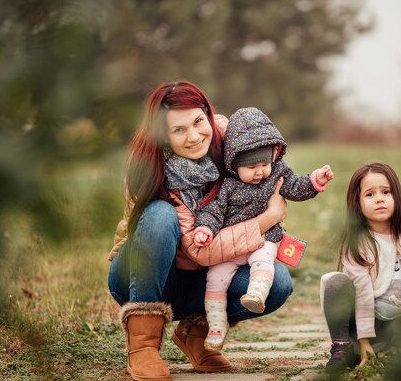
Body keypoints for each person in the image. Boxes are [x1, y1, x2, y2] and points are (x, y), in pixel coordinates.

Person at [107, 81, 293, 381]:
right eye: (178, 130)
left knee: (278, 282)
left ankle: (196, 332)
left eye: (197, 121)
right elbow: (199, 249)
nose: (194, 137)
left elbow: (266, 182)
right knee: (159, 215)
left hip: (201, 277)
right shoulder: (149, 164)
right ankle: (142, 346)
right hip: (144, 276)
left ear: (207, 113)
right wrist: (267, 219)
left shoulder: (233, 143)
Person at [192, 107, 334, 351]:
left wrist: (314, 181)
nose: (259, 172)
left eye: (264, 164)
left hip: (262, 239)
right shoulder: (226, 185)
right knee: (215, 279)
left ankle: (257, 293)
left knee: (263, 261)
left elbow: (295, 186)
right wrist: (204, 228)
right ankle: (216, 325)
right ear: (234, 164)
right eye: (251, 167)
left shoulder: (277, 173)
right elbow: (212, 210)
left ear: (273, 156)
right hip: (230, 247)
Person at [319, 162, 401, 373]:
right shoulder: (357, 242)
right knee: (335, 282)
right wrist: (364, 341)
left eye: (386, 192)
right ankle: (345, 348)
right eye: (370, 195)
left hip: (400, 317)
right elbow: (362, 293)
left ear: (396, 196)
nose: (379, 198)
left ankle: (387, 352)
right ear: (357, 203)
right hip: (365, 314)